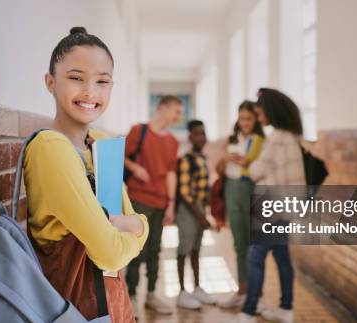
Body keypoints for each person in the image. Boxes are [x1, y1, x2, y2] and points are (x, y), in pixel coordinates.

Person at [24, 27, 149, 322]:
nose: (90, 92)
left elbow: (124, 232)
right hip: (74, 309)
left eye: (102, 81)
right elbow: (111, 254)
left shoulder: (101, 144)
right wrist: (139, 227)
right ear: (50, 82)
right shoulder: (50, 147)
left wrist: (134, 226)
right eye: (76, 78)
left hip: (111, 306)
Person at [238, 88, 305, 323]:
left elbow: (256, 171)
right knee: (281, 256)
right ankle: (286, 309)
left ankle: (247, 313)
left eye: (260, 111)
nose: (259, 115)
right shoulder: (290, 135)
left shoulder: (276, 138)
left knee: (255, 256)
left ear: (270, 110)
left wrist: (250, 165)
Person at [124, 95, 182, 315]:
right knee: (137, 249)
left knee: (155, 249)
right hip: (139, 198)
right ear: (163, 108)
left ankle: (150, 295)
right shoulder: (139, 131)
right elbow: (122, 156)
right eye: (176, 111)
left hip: (160, 202)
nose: (179, 116)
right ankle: (130, 296)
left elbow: (170, 173)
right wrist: (136, 168)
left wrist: (170, 204)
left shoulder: (172, 142)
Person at [216, 101, 265, 309]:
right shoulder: (231, 139)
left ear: (255, 120)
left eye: (249, 119)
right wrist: (225, 157)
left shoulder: (260, 140)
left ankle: (257, 294)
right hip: (231, 188)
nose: (244, 122)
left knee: (254, 244)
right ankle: (242, 290)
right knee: (238, 242)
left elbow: (251, 164)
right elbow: (219, 168)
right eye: (242, 118)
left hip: (250, 189)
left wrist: (239, 160)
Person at [174, 120, 216, 310]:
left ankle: (197, 287)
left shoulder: (202, 158)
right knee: (184, 248)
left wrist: (207, 210)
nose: (202, 137)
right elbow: (185, 192)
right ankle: (182, 292)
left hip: (199, 207)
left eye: (204, 133)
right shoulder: (186, 159)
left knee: (196, 249)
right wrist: (200, 216)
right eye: (198, 134)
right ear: (190, 137)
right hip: (189, 209)